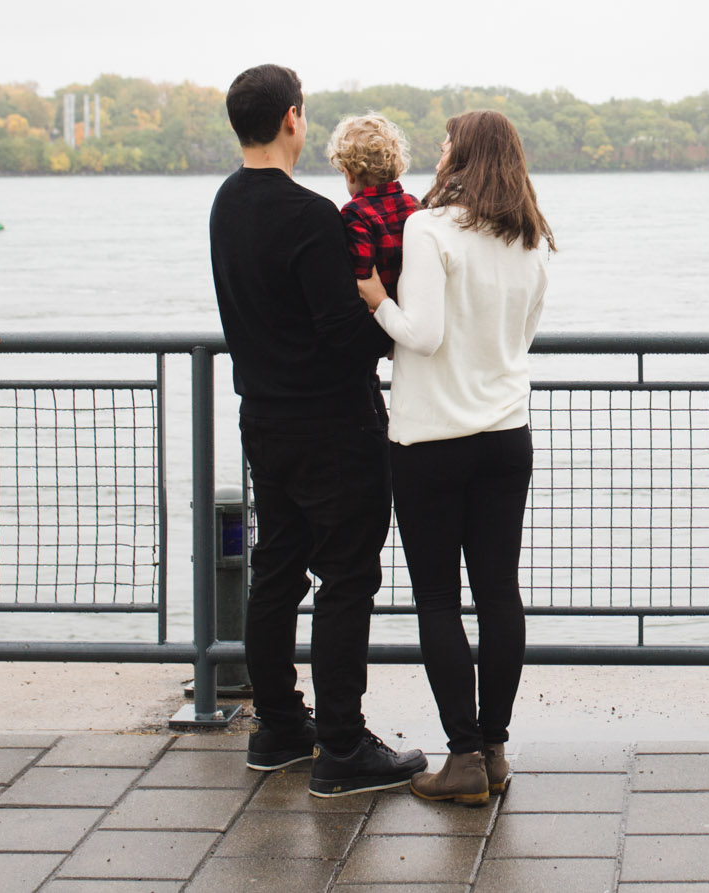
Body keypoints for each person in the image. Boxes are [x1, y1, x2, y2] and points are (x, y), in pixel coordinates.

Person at [207, 64, 426, 797]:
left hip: (262, 416)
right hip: (333, 423)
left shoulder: (224, 205)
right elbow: (343, 331)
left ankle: (277, 727)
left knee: (278, 568)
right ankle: (341, 745)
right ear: (293, 118)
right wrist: (388, 328)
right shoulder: (310, 217)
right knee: (347, 579)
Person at [359, 109, 553, 806]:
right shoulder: (530, 240)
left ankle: (462, 754)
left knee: (439, 596)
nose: (438, 153)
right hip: (506, 434)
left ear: (462, 155)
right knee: (500, 591)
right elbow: (521, 338)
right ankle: (495, 748)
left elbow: (423, 333)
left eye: (445, 143)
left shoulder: (428, 227)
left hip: (432, 438)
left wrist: (377, 298)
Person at [326, 112, 420, 302]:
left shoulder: (355, 213)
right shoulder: (414, 205)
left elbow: (361, 274)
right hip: (412, 305)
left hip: (378, 312)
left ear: (349, 173)